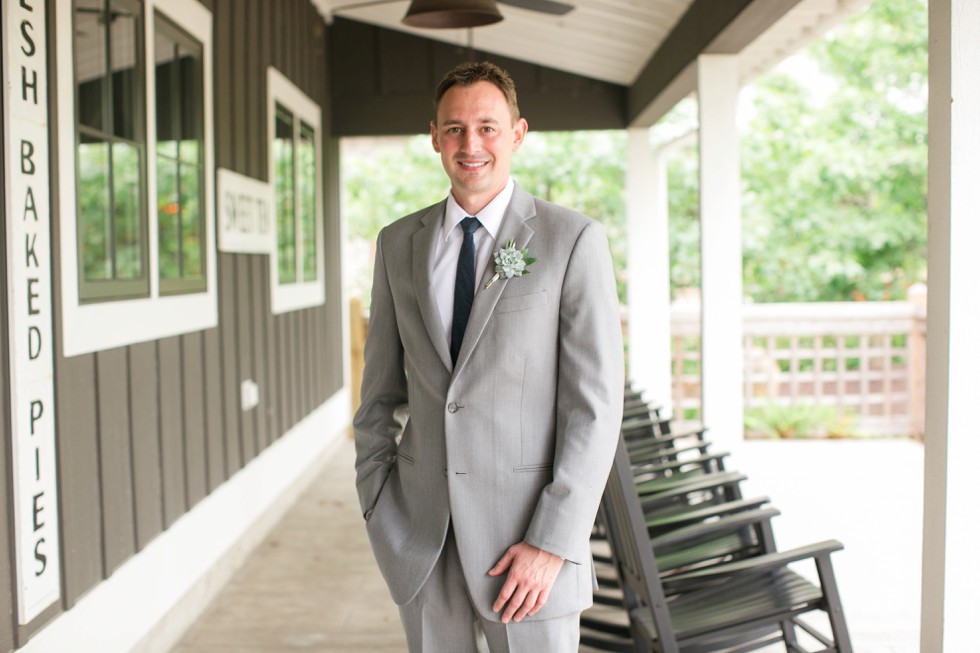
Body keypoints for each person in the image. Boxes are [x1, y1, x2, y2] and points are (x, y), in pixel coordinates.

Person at [353, 60, 624, 653]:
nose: (469, 144)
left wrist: (553, 543)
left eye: (487, 127)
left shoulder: (571, 240)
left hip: (528, 552)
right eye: (454, 129)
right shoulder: (398, 244)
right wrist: (380, 508)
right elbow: (378, 394)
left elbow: (595, 408)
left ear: (518, 133)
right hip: (421, 541)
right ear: (434, 137)